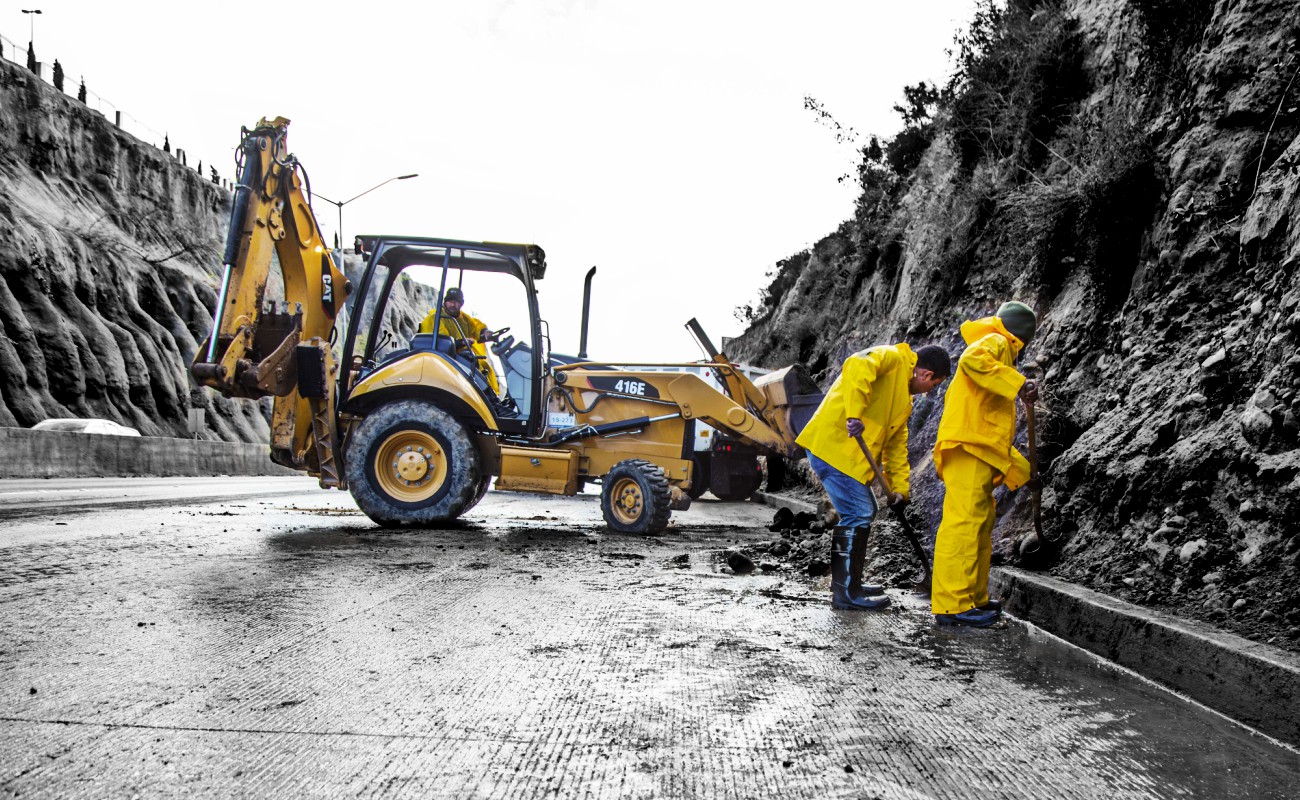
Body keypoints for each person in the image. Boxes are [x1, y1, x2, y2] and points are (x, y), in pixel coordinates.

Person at [796, 342, 953, 610]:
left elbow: (896, 447)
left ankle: (850, 583)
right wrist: (854, 414)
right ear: (927, 375)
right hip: (832, 447)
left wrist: (901, 489)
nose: (932, 391)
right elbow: (857, 365)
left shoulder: (903, 402)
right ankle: (846, 592)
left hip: (847, 457)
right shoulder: (892, 358)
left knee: (864, 510)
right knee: (859, 512)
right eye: (935, 384)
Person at [931, 301, 1039, 628]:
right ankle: (953, 606)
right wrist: (1019, 383)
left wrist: (1027, 475)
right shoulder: (997, 342)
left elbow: (995, 439)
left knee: (979, 526)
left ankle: (973, 599)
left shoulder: (999, 354)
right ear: (1022, 336)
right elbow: (970, 358)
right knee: (964, 525)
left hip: (976, 450)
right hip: (968, 449)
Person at [418, 287, 502, 394]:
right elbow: (438, 344)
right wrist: (460, 342)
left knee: (485, 370)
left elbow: (476, 326)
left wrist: (484, 332)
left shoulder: (465, 319)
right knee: (476, 376)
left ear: (461, 304)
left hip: (464, 358)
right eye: (450, 301)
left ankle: (491, 399)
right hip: (447, 361)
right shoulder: (434, 318)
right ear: (445, 302)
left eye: (456, 302)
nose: (453, 305)